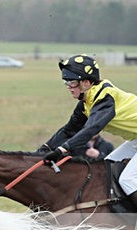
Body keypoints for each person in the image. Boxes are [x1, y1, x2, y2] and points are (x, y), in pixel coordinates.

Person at [40, 54, 137, 204]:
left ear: (86, 82)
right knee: (105, 167)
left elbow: (91, 128)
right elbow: (68, 130)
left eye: (71, 82)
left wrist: (62, 150)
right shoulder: (87, 102)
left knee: (127, 179)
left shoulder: (105, 98)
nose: (68, 88)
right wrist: (45, 148)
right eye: (66, 83)